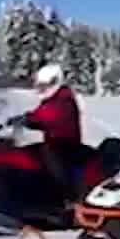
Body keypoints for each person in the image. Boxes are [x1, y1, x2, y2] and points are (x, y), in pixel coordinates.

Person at [18, 63, 86, 199]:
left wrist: (31, 120)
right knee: (28, 154)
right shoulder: (51, 100)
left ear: (54, 83)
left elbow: (52, 117)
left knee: (51, 158)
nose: (40, 90)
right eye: (39, 86)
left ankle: (67, 198)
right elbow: (40, 114)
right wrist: (21, 118)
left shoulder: (64, 99)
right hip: (55, 142)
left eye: (43, 86)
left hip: (65, 145)